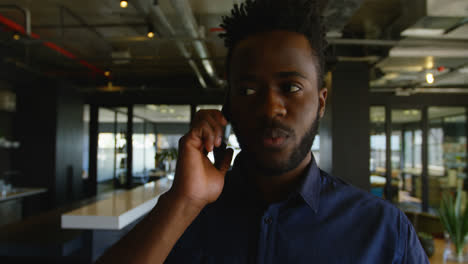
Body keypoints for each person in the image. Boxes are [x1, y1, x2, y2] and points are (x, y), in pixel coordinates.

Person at [98, 0, 429, 263]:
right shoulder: (183, 218)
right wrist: (183, 202)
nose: (271, 108)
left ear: (321, 101)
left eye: (291, 86)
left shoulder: (384, 231)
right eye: (248, 90)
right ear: (228, 106)